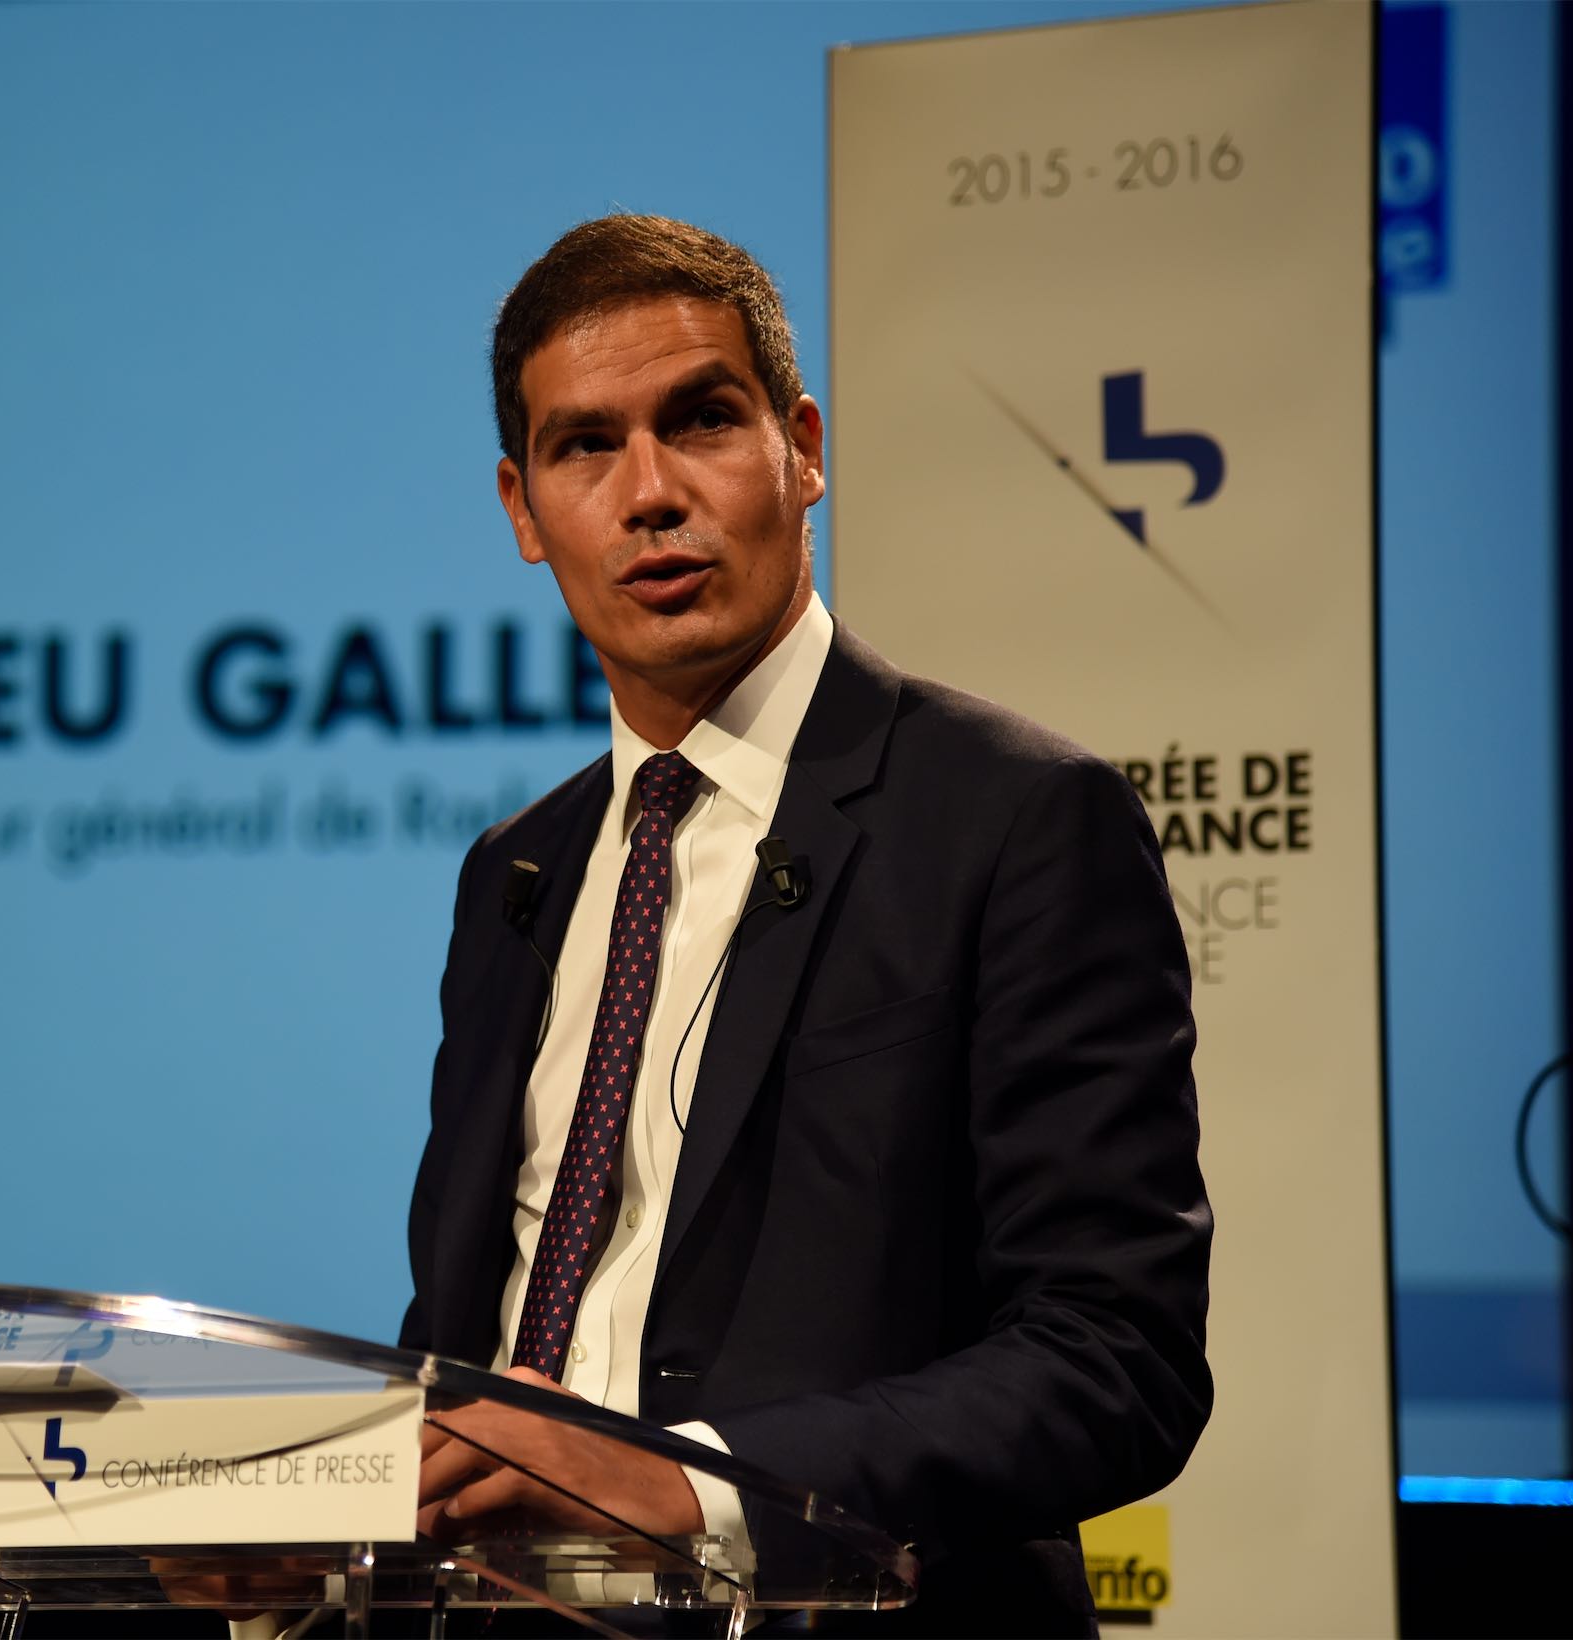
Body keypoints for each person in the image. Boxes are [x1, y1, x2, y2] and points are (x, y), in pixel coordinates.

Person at [402, 215, 1213, 1636]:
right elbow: (465, 1349)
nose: (651, 494)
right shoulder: (514, 874)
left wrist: (686, 1482)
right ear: (524, 512)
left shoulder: (1013, 820)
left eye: (702, 420)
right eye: (585, 447)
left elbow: (1114, 1360)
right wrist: (321, 1522)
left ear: (804, 447)